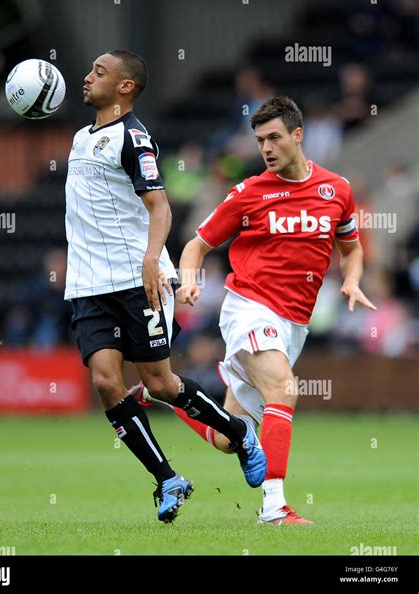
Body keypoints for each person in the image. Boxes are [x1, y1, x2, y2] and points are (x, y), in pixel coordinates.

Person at [64, 50, 267, 523]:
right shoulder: (79, 138)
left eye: (98, 72)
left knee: (158, 384)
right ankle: (167, 478)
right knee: (105, 382)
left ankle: (238, 433)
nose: (86, 77)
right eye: (90, 69)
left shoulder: (134, 139)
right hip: (88, 285)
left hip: (139, 280)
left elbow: (161, 208)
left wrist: (153, 260)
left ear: (125, 87)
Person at [173, 95, 376, 524]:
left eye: (274, 137)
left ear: (297, 136)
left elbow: (351, 248)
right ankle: (274, 507)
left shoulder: (335, 190)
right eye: (260, 139)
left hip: (293, 325)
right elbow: (196, 245)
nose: (265, 147)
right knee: (284, 389)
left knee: (231, 437)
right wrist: (189, 278)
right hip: (249, 308)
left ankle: (170, 395)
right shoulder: (248, 193)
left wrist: (353, 279)